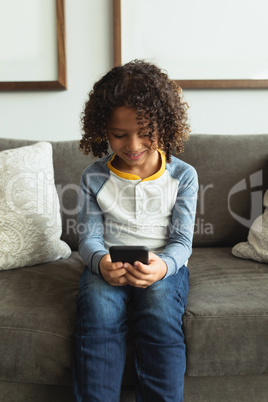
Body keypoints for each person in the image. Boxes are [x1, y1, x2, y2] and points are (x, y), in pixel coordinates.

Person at [73, 60, 198, 402]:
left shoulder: (183, 176)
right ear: (102, 130)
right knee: (99, 308)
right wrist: (99, 263)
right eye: (119, 134)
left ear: (165, 125)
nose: (133, 145)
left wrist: (163, 267)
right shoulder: (94, 177)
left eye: (146, 132)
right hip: (107, 264)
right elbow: (88, 238)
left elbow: (182, 242)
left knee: (158, 306)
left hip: (162, 267)